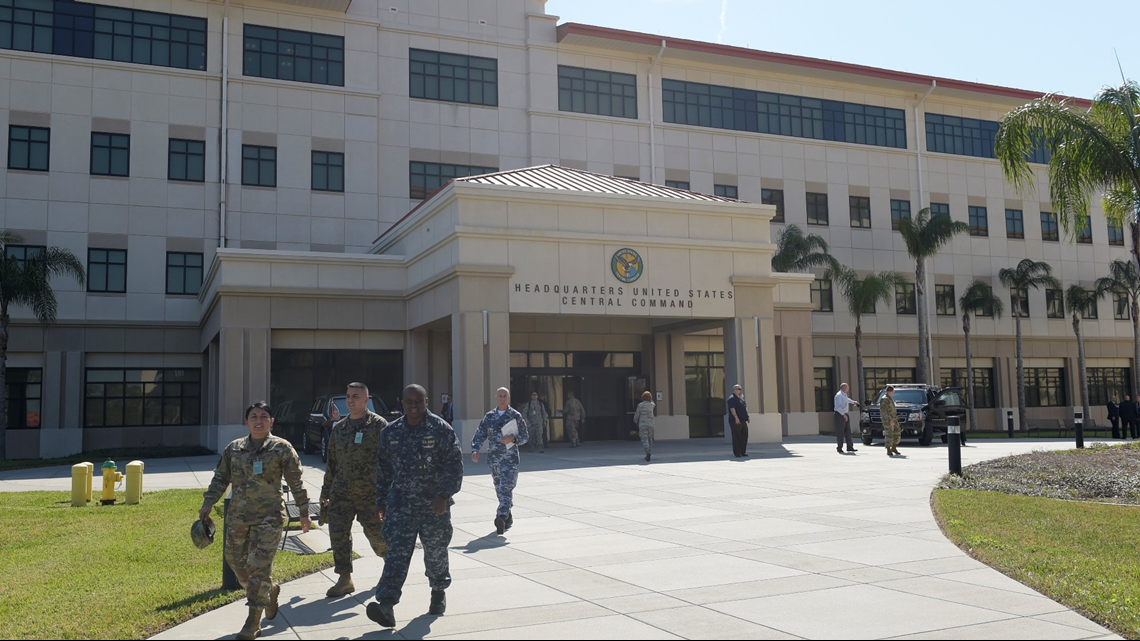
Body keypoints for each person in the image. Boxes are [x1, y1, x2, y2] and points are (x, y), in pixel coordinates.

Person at [199, 402, 311, 641]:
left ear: (271, 421)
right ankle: (269, 591)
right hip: (238, 517)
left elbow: (297, 482)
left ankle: (253, 621)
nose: (258, 421)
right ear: (246, 422)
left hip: (269, 518)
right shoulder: (234, 449)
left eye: (263, 417)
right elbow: (220, 478)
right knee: (236, 562)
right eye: (253, 417)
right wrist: (209, 502)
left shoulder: (282, 448)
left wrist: (303, 512)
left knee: (258, 567)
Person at [366, 384, 463, 629]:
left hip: (434, 507)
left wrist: (444, 494)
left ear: (426, 401)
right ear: (402, 402)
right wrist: (380, 500)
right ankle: (386, 603)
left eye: (418, 401)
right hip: (401, 506)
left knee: (435, 553)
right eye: (408, 401)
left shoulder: (441, 429)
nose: (413, 405)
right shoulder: (391, 432)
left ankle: (438, 591)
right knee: (396, 555)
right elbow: (384, 470)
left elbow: (454, 466)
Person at [320, 383, 389, 598]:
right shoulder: (339, 428)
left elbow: (389, 462)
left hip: (371, 494)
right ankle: (344, 578)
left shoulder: (379, 425)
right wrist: (325, 492)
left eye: (355, 397)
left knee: (377, 536)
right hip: (341, 493)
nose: (350, 401)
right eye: (348, 396)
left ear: (366, 400)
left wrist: (387, 494)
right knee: (338, 534)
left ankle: (390, 568)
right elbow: (331, 463)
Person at [471, 387, 529, 535]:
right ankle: (507, 514)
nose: (503, 398)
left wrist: (513, 439)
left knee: (506, 488)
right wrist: (475, 448)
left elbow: (525, 436)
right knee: (499, 489)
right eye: (500, 396)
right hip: (494, 459)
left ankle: (501, 516)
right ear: (496, 398)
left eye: (505, 396)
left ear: (509, 398)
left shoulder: (515, 416)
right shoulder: (490, 416)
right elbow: (480, 433)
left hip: (509, 460)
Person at [834, 383, 859, 454]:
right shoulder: (839, 395)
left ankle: (850, 447)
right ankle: (839, 448)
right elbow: (837, 407)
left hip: (845, 414)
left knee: (848, 431)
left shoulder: (844, 395)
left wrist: (854, 402)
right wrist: (843, 415)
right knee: (840, 432)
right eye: (847, 387)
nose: (848, 389)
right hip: (839, 415)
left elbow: (847, 400)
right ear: (844, 388)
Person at [726, 384, 749, 458]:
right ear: (734, 390)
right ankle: (737, 452)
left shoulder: (741, 398)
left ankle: (743, 451)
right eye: (739, 389)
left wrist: (747, 416)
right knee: (736, 436)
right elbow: (732, 409)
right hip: (735, 421)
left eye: (741, 389)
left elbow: (745, 408)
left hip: (743, 420)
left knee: (744, 435)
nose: (740, 390)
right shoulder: (732, 398)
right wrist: (736, 417)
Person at [633, 391, 656, 462]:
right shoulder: (652, 405)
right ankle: (649, 451)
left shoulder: (640, 405)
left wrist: (635, 421)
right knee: (650, 439)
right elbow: (652, 402)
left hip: (643, 424)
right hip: (651, 424)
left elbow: (637, 415)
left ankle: (647, 452)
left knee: (644, 439)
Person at [880, 385, 901, 457]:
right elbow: (884, 412)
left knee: (897, 433)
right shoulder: (884, 399)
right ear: (890, 391)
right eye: (893, 391)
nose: (894, 392)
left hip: (894, 419)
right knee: (889, 435)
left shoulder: (889, 398)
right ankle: (888, 450)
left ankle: (894, 448)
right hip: (888, 420)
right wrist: (890, 420)